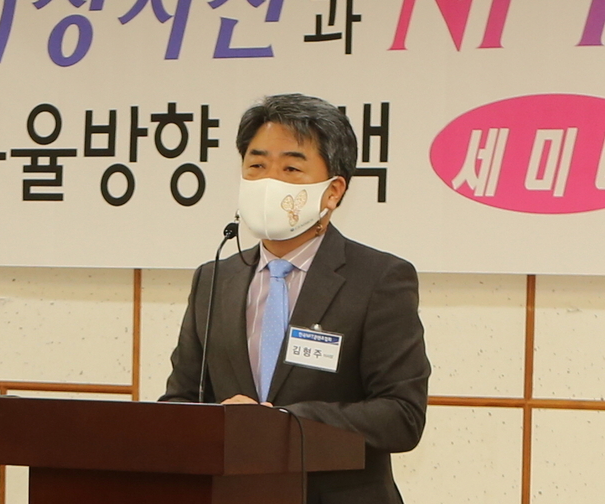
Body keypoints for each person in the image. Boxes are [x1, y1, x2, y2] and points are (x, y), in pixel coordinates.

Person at [160, 93, 430, 504]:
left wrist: (284, 423)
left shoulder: (379, 279)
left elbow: (401, 416)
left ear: (333, 191)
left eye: (290, 168)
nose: (269, 181)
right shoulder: (214, 279)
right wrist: (219, 422)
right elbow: (180, 402)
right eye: (256, 166)